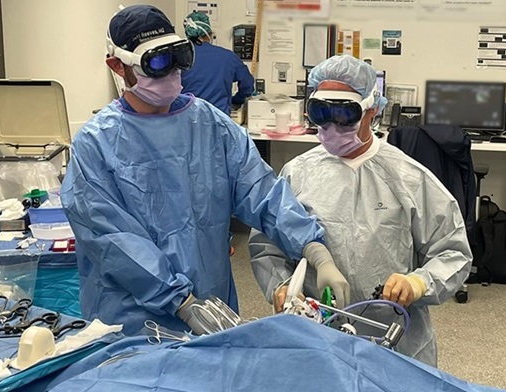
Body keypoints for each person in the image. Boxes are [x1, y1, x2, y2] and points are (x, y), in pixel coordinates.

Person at [61, 5, 349, 336]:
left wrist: (314, 249)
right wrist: (180, 302)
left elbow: (262, 192)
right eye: (156, 63)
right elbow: (113, 240)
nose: (171, 73)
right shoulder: (95, 143)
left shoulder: (212, 125)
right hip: (133, 318)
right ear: (117, 65)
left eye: (178, 57)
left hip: (212, 305)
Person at [248, 55, 472, 367]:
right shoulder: (297, 174)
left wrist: (418, 283)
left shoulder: (409, 178)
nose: (330, 126)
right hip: (314, 336)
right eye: (320, 113)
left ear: (372, 109)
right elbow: (267, 244)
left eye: (343, 113)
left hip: (393, 340)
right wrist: (282, 287)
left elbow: (453, 252)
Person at [181, 11, 254, 116]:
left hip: (187, 120)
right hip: (218, 121)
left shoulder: (179, 58)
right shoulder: (228, 57)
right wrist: (237, 100)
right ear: (209, 34)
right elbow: (248, 85)